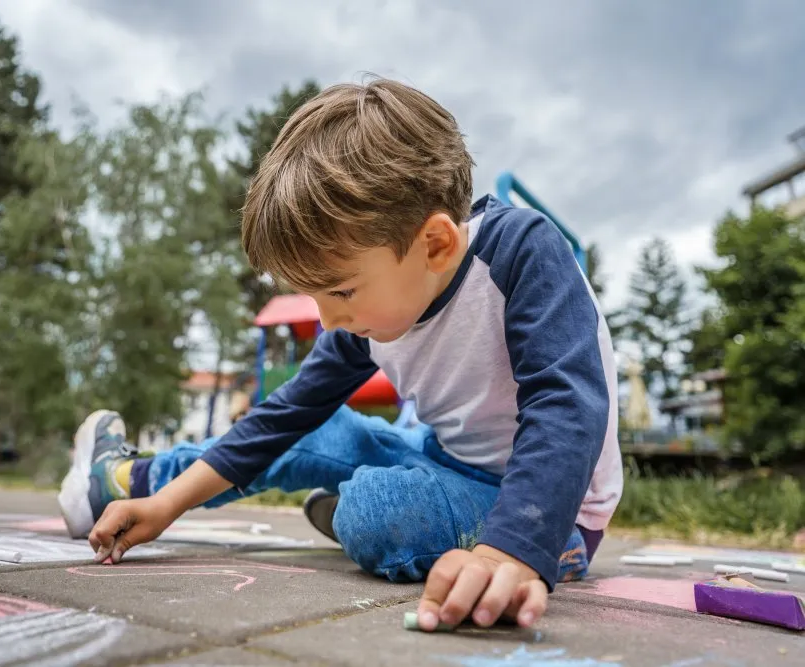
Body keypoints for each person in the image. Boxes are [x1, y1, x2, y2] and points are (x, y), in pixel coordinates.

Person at [57, 77, 622, 632]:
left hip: (556, 509)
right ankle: (126, 484)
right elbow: (283, 417)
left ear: (435, 244)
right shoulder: (367, 313)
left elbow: (566, 404)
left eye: (342, 292)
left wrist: (511, 550)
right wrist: (168, 506)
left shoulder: (523, 253)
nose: (328, 321)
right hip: (442, 458)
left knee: (378, 511)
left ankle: (399, 519)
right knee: (312, 432)